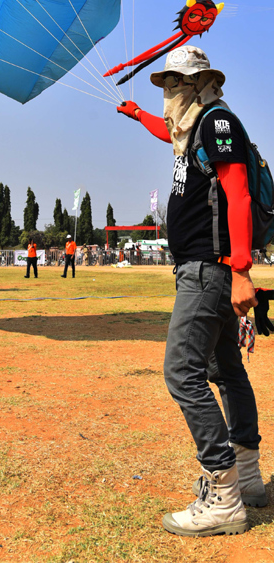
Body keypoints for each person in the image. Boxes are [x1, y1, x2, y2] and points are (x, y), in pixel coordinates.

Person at [117, 46, 265, 536]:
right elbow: (169, 133)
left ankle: (223, 494)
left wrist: (242, 269)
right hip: (205, 269)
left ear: (195, 84)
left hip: (211, 269)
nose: (166, 94)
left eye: (172, 85)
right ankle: (247, 477)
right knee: (225, 368)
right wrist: (137, 113)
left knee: (182, 372)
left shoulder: (216, 122)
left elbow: (239, 191)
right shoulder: (194, 126)